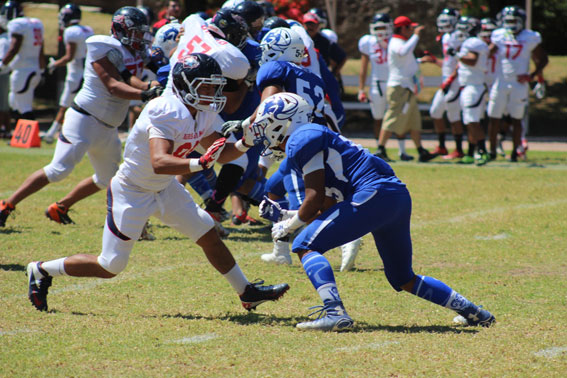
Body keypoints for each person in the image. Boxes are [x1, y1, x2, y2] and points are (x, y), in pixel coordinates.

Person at [26, 53, 289, 313]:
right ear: (185, 86)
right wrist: (199, 163)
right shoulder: (165, 109)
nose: (212, 92)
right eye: (206, 86)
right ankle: (41, 270)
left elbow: (222, 154)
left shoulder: (203, 112)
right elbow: (159, 161)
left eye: (214, 86)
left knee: (208, 233)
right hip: (132, 190)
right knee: (111, 265)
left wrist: (247, 141)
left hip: (164, 187)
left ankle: (247, 293)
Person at [254, 91, 496, 331]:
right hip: (394, 197)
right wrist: (287, 216)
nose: (267, 136)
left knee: (305, 245)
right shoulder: (313, 137)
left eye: (268, 126)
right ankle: (475, 312)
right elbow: (327, 206)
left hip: (372, 194)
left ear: (284, 121)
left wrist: (289, 226)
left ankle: (335, 313)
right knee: (403, 278)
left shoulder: (301, 138)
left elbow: (314, 199)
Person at [0, 7, 163, 228]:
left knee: (110, 179)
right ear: (120, 29)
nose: (140, 38)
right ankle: (6, 205)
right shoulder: (103, 46)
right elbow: (114, 85)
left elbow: (128, 77)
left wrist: (148, 86)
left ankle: (61, 207)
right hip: (84, 120)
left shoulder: (132, 51)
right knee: (58, 170)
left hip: (108, 127)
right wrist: (145, 93)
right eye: (135, 32)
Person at [487, 6, 548, 162]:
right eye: (508, 21)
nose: (511, 24)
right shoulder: (498, 35)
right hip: (500, 81)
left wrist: (532, 75)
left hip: (518, 83)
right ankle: (492, 150)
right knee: (493, 117)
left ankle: (516, 151)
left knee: (517, 119)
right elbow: (488, 53)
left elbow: (543, 59)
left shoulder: (530, 37)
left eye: (514, 21)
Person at [375, 16, 436, 163]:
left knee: (414, 121)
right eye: (409, 28)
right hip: (399, 87)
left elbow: (405, 61)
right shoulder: (396, 42)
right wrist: (416, 36)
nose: (412, 30)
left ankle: (421, 151)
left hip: (407, 87)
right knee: (392, 117)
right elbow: (402, 52)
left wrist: (421, 61)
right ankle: (380, 149)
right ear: (402, 28)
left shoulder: (401, 42)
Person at [358, 13, 412, 161]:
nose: (381, 30)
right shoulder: (367, 41)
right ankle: (381, 150)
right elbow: (364, 67)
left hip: (395, 83)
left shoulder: (396, 41)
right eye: (378, 27)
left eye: (383, 26)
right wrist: (361, 89)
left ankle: (402, 151)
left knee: (398, 117)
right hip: (378, 84)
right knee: (378, 118)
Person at [42, 3, 94, 144]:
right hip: (88, 73)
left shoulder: (70, 31)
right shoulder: (88, 29)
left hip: (75, 74)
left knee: (64, 105)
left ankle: (51, 133)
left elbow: (69, 56)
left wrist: (54, 64)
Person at [428, 8, 465, 160]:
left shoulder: (459, 36)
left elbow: (461, 61)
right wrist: (434, 61)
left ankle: (458, 149)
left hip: (455, 82)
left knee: (453, 115)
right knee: (435, 111)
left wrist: (451, 78)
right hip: (447, 81)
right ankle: (442, 146)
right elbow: (449, 63)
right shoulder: (446, 37)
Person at [0, 0, 45, 126]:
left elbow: (15, 47)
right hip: (33, 69)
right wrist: (42, 69)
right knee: (14, 102)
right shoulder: (36, 23)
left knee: (24, 107)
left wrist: (3, 64)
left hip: (23, 70)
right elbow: (41, 47)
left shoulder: (17, 24)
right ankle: (20, 135)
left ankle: (29, 136)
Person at [455, 17, 490, 166]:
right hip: (468, 86)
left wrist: (457, 54)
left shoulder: (473, 42)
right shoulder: (470, 42)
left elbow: (472, 60)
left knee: (473, 121)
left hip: (474, 86)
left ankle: (482, 151)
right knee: (469, 121)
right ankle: (470, 152)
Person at [0, 11, 10, 138]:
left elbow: (3, 60)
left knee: (3, 104)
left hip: (2, 74)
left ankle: (5, 129)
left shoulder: (3, 40)